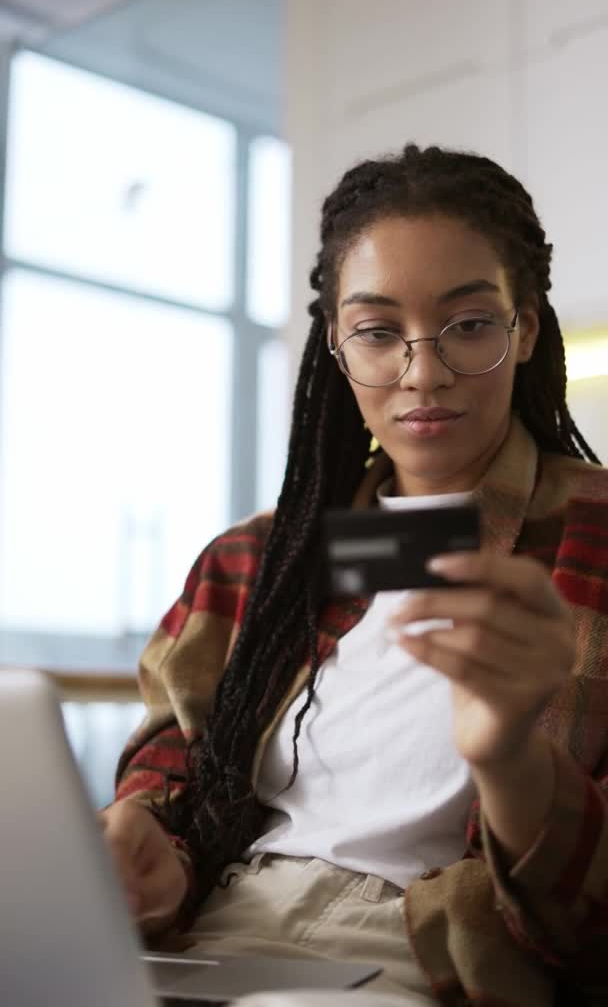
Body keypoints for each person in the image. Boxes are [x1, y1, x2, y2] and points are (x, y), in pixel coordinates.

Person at [101, 144, 608, 1007]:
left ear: (525, 327)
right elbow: (174, 757)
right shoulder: (260, 558)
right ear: (338, 347)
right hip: (215, 936)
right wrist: (147, 838)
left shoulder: (592, 542)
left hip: (433, 953)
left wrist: (512, 759)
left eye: (471, 324)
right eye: (378, 332)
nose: (424, 373)